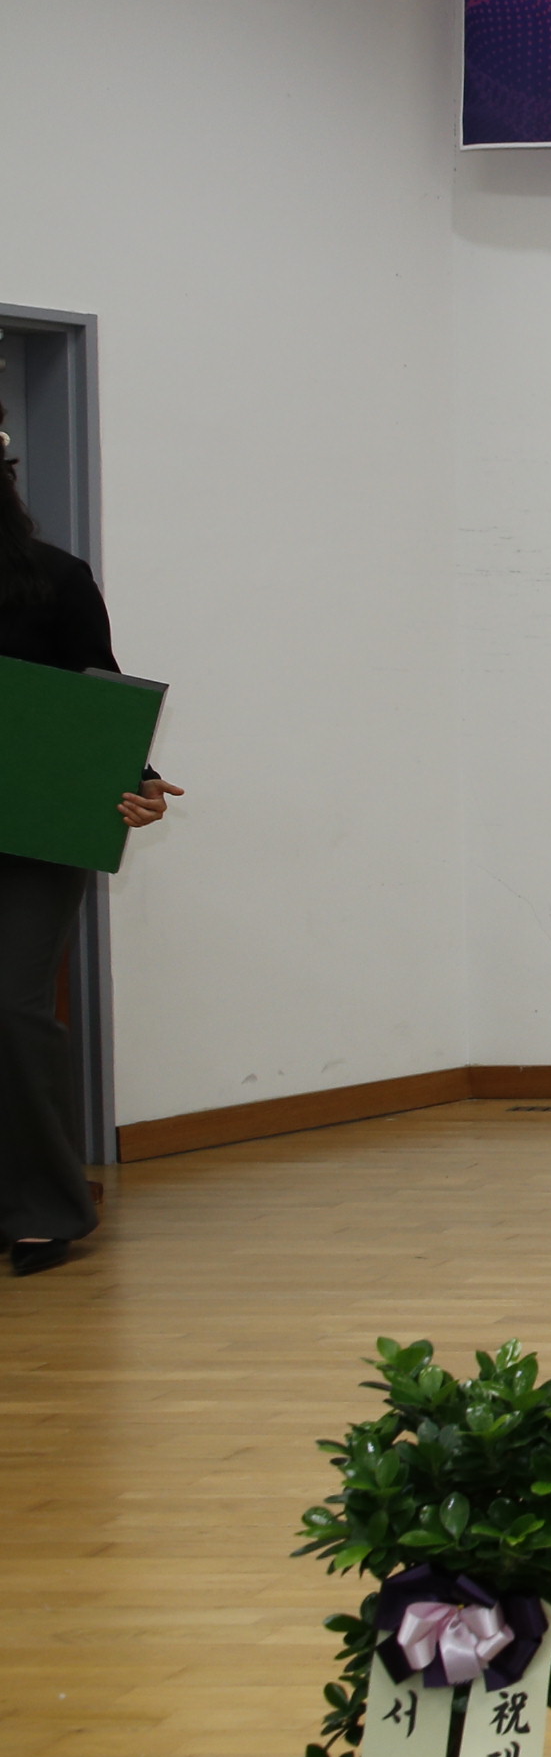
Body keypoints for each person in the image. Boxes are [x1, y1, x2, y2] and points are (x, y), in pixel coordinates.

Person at [0, 401, 180, 1278]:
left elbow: (95, 701)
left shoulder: (54, 579)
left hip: (31, 834)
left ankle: (47, 1206)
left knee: (12, 1007)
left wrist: (137, 783)